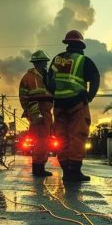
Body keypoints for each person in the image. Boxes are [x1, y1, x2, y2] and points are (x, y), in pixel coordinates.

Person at [46, 30, 99, 183]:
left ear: (67, 44)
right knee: (78, 136)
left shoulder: (57, 59)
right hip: (77, 103)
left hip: (59, 103)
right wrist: (89, 97)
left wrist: (56, 94)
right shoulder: (83, 60)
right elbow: (95, 78)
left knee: (61, 137)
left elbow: (49, 80)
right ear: (81, 46)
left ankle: (66, 171)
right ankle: (74, 171)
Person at [19, 50, 54, 176]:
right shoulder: (30, 78)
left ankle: (40, 167)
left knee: (44, 140)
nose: (46, 64)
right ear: (38, 63)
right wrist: (35, 115)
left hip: (45, 113)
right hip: (38, 113)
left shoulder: (44, 76)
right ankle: (38, 168)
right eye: (44, 62)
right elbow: (28, 98)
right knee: (41, 141)